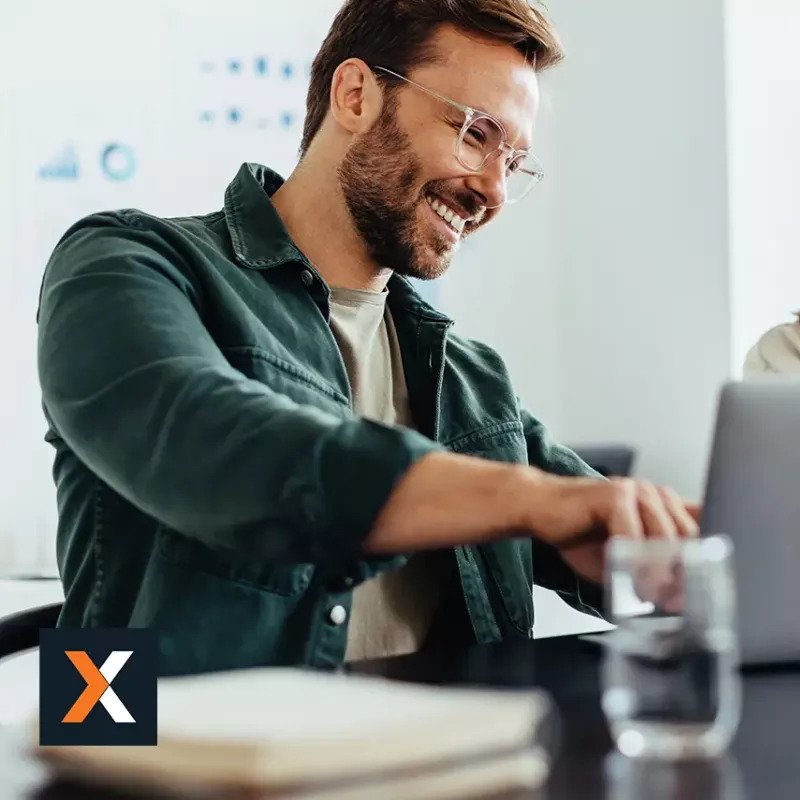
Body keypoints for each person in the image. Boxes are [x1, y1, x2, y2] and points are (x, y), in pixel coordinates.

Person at [36, 0, 698, 676]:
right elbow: (217, 442)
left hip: (439, 760)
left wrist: (696, 545)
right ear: (355, 95)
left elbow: (600, 524)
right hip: (138, 740)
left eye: (515, 161)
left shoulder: (471, 381)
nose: (493, 189)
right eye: (474, 133)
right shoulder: (124, 261)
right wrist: (532, 500)